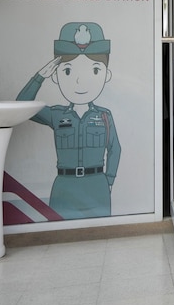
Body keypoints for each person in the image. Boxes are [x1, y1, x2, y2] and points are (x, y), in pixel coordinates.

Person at [17, 21, 121, 219]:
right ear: (56, 76)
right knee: (58, 232)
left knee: (100, 235)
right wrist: (39, 77)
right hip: (65, 187)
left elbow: (115, 148)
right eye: (67, 71)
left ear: (106, 75)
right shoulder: (56, 115)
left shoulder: (104, 116)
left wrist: (109, 180)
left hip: (97, 185)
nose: (80, 82)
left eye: (95, 70)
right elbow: (22, 105)